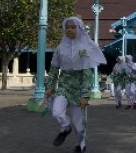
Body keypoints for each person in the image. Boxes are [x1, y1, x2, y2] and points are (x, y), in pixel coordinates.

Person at [45, 16, 107, 153]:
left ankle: (81, 145)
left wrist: (85, 95)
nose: (69, 30)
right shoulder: (60, 48)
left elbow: (87, 73)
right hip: (64, 85)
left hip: (79, 88)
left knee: (79, 125)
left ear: (79, 29)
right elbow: (54, 68)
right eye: (67, 27)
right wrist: (50, 86)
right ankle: (65, 127)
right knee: (56, 112)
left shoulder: (84, 48)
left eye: (73, 27)